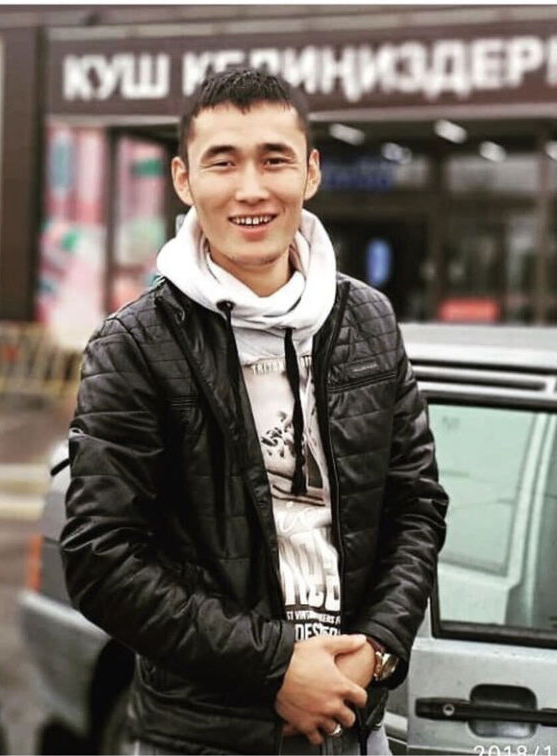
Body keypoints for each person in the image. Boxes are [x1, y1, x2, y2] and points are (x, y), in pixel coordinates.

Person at [60, 67, 448, 756]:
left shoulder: (368, 321)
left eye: (274, 160)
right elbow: (102, 559)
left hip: (355, 722)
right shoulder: (136, 345)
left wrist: (379, 648)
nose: (250, 188)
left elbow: (416, 505)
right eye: (223, 162)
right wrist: (276, 666)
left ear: (311, 172)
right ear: (183, 179)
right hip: (202, 736)